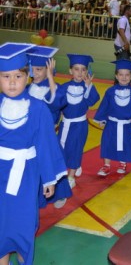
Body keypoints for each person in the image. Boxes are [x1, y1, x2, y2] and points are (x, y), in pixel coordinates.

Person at [0, 42, 67, 265]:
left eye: (17, 77)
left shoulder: (37, 108)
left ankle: (22, 257)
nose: (11, 82)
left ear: (27, 76)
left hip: (26, 176)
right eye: (5, 76)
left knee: (23, 223)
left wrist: (49, 178)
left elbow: (46, 144)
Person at [26, 46, 72, 209]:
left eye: (39, 69)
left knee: (53, 165)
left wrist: (51, 78)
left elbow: (57, 101)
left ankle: (60, 194)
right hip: (30, 136)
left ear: (48, 69)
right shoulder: (28, 87)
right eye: (32, 69)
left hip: (47, 136)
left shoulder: (53, 87)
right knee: (33, 167)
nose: (35, 73)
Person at [95, 59, 131, 177]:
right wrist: (102, 118)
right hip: (111, 123)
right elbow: (105, 105)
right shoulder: (110, 91)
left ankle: (123, 163)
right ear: (116, 76)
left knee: (126, 143)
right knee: (108, 143)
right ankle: (106, 165)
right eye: (121, 74)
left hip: (126, 124)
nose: (124, 77)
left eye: (127, 75)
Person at [57, 54, 100, 189]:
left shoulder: (88, 86)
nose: (80, 72)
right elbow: (57, 105)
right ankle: (62, 172)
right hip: (65, 124)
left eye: (83, 69)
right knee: (61, 147)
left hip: (80, 125)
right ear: (70, 71)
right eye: (76, 69)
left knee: (75, 149)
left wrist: (88, 86)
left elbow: (92, 100)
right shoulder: (63, 87)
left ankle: (71, 176)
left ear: (87, 71)